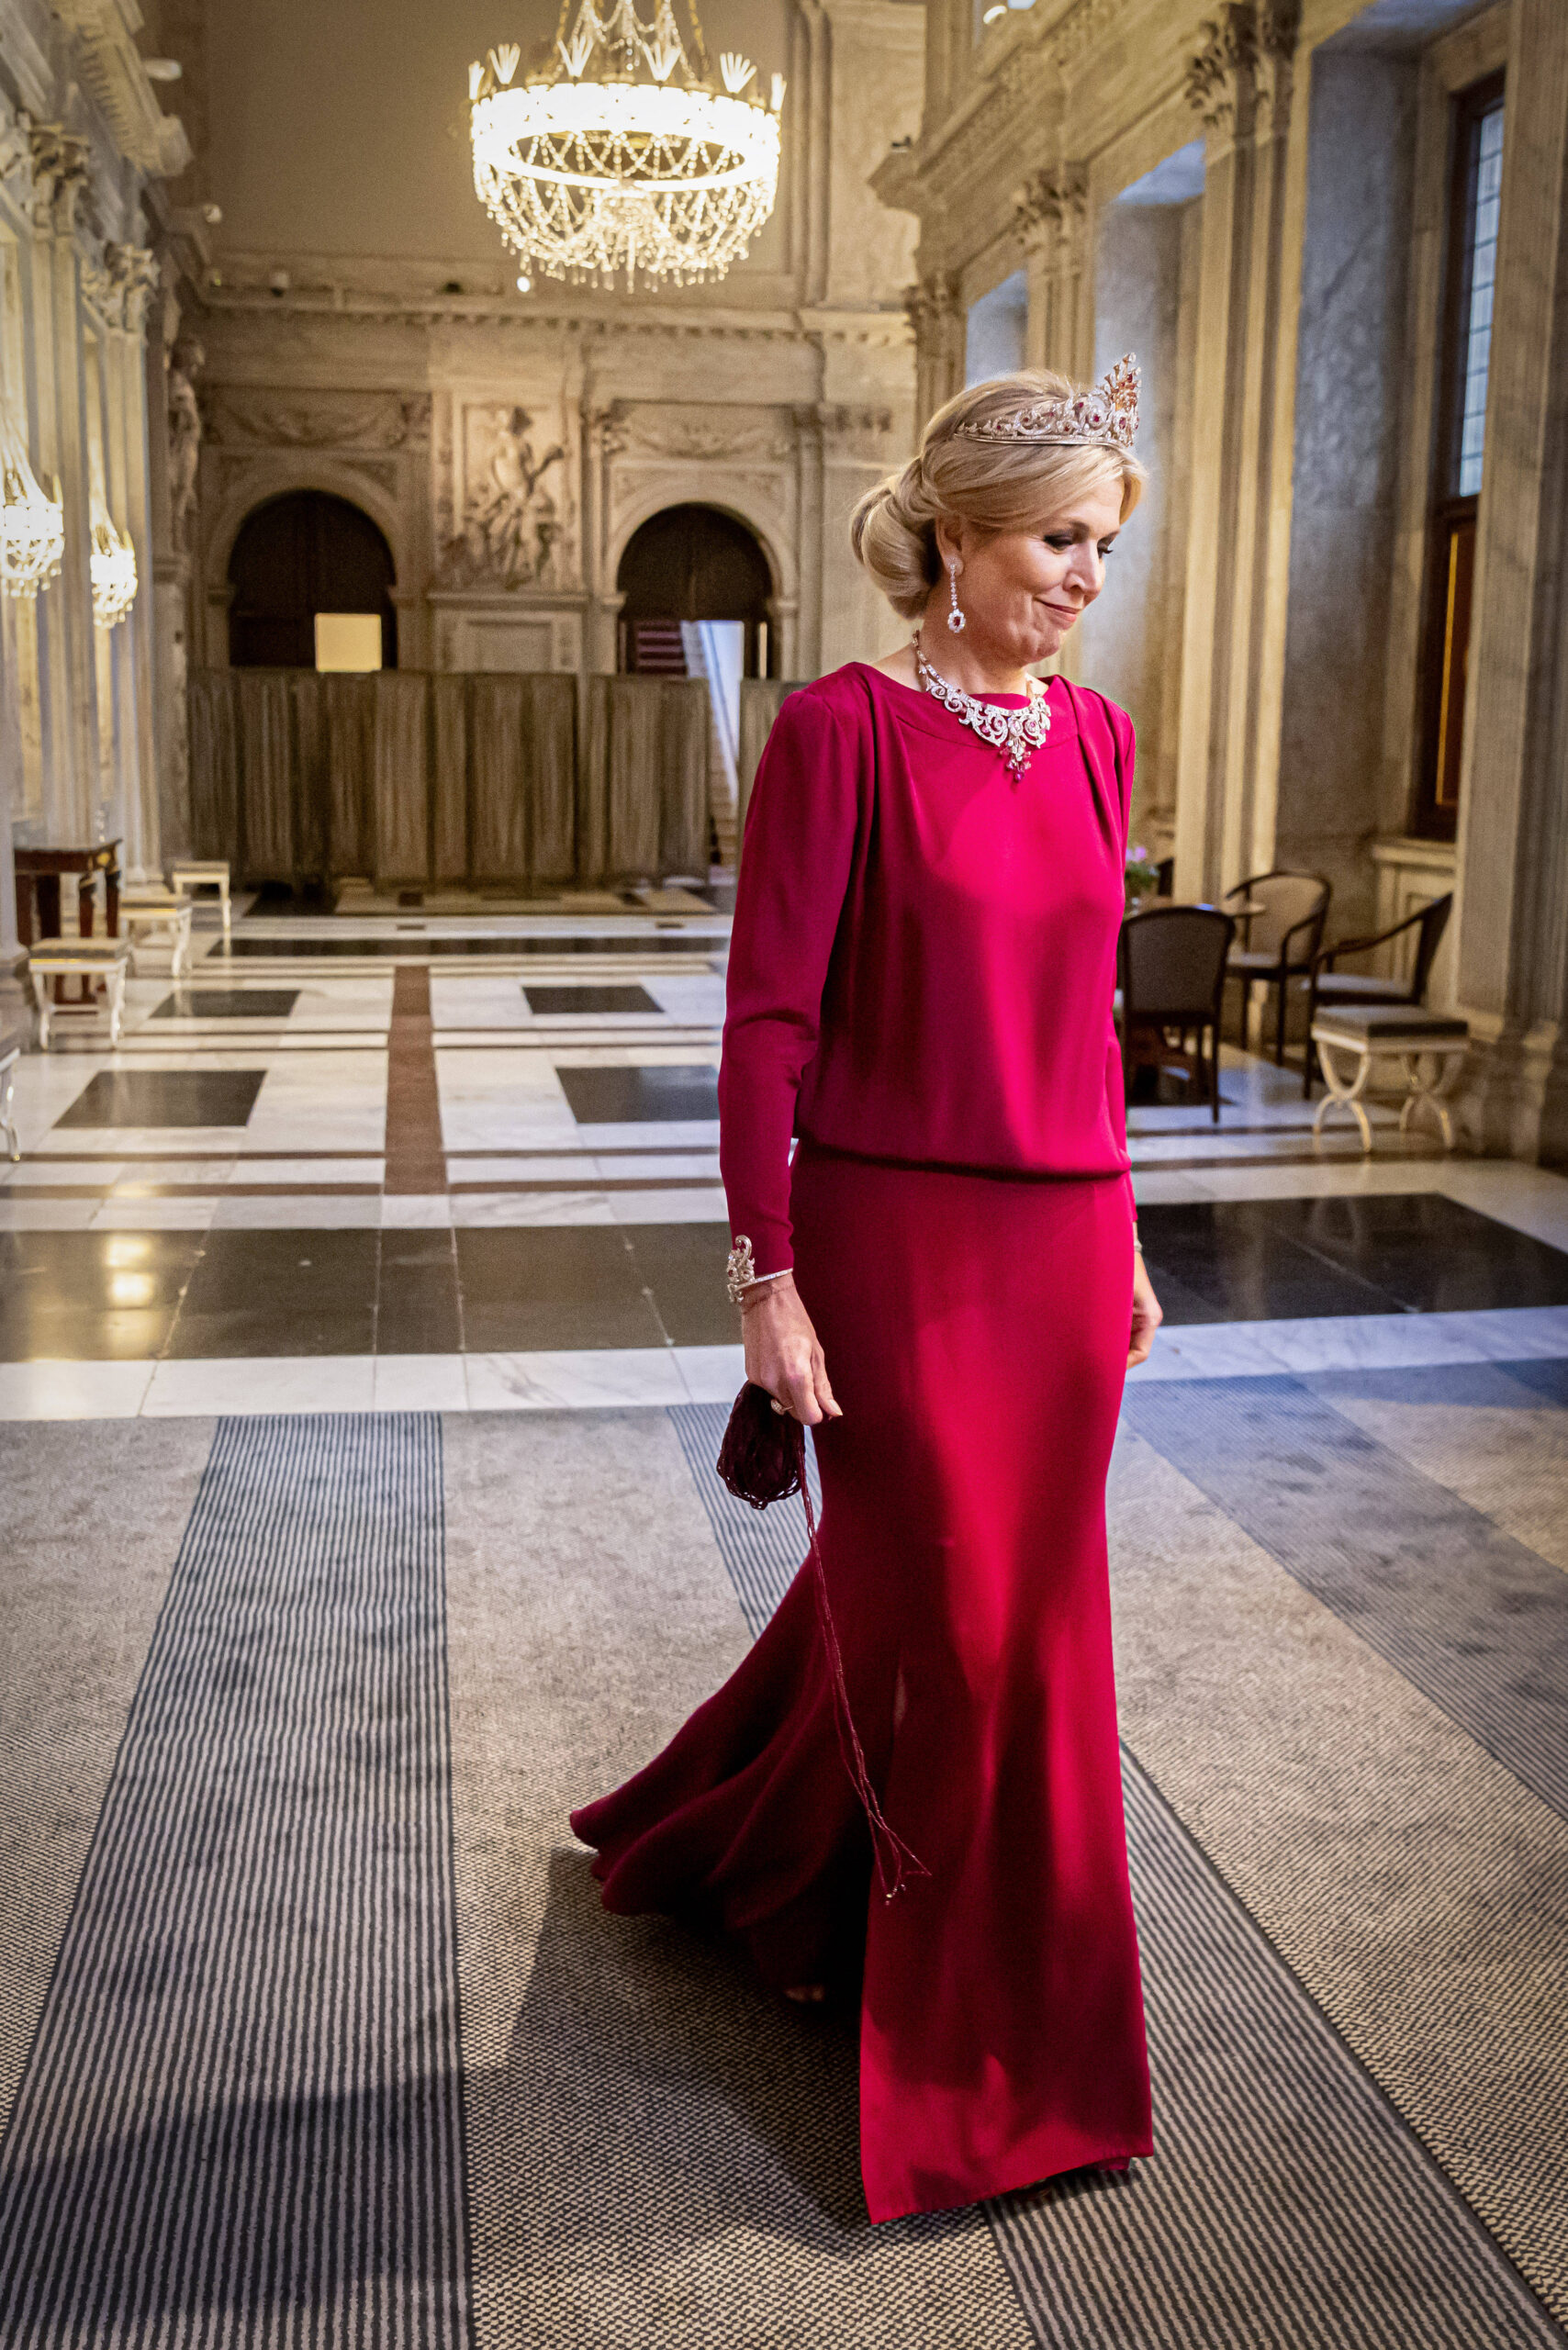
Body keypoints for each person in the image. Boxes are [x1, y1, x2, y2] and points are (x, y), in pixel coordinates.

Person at [572, 362, 1164, 2224]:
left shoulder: (1095, 739)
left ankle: (821, 1874)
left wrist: (1128, 1226)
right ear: (956, 539)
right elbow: (767, 1027)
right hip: (894, 1243)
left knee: (1013, 1621)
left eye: (1097, 545)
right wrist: (769, 1277)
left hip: (1061, 1247)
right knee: (967, 1627)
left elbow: (1090, 1014)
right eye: (1055, 539)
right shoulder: (834, 733)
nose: (1079, 576)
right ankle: (979, 2056)